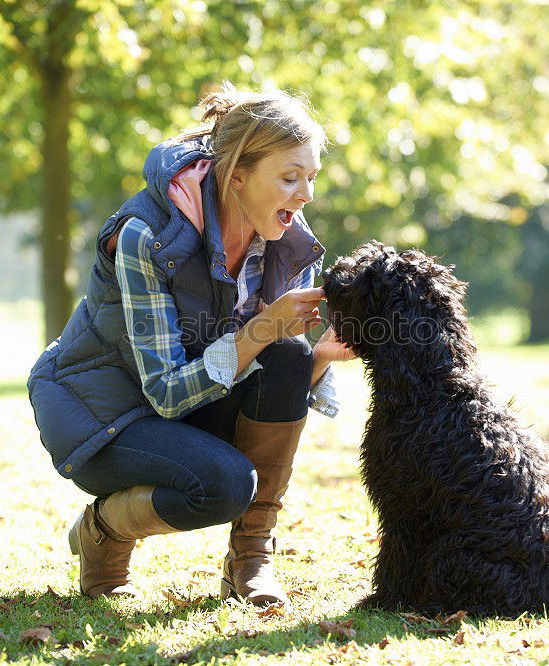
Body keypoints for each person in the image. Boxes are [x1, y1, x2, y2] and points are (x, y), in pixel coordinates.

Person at [28, 83, 355, 606]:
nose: (306, 195)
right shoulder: (146, 235)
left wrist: (317, 359)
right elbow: (165, 392)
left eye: (311, 178)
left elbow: (276, 374)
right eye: (290, 178)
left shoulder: (287, 238)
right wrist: (263, 330)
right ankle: (104, 532)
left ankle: (251, 561)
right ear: (238, 174)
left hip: (194, 405)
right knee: (224, 485)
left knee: (293, 355)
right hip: (110, 420)